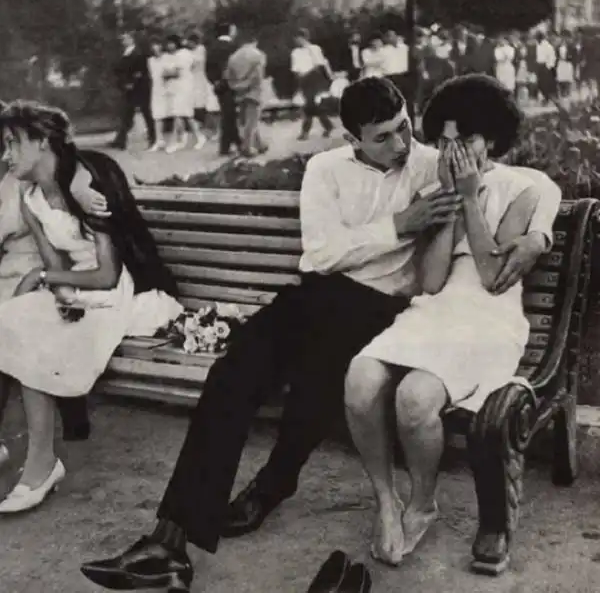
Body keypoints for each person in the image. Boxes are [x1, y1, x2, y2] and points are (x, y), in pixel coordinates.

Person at [80, 76, 560, 592]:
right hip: (315, 293)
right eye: (383, 137)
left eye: (404, 128)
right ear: (352, 138)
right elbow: (321, 253)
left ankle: (271, 486)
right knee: (230, 376)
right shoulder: (324, 170)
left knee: (319, 381)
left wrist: (539, 234)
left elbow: (529, 182)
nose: (401, 144)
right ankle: (169, 543)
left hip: (379, 309)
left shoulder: (433, 163)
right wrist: (400, 224)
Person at [344, 74, 561, 566]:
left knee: (415, 397)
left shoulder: (523, 189)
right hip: (437, 311)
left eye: (466, 139)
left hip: (487, 318)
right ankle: (386, 501)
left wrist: (469, 198)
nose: (453, 151)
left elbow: (492, 276)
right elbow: (431, 282)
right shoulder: (437, 189)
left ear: (493, 139)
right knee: (360, 377)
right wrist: (449, 206)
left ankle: (422, 503)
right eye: (444, 142)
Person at [0, 101, 178, 514]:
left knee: (33, 331)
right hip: (77, 288)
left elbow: (108, 275)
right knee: (11, 319)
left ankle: (41, 466)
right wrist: (56, 289)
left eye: (12, 143)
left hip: (115, 294)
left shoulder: (89, 186)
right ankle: (41, 463)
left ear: (42, 141)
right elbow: (55, 263)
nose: (6, 155)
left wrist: (45, 280)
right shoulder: (30, 197)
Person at [0, 101, 118, 444]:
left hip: (41, 266)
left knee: (16, 320)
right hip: (38, 270)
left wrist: (81, 183)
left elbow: (71, 159)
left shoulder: (23, 180)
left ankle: (59, 428)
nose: (7, 152)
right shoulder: (23, 179)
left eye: (10, 143)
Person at [224, 27, 269, 158]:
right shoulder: (258, 54)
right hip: (254, 90)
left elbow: (228, 76)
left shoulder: (233, 57)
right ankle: (247, 147)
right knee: (252, 120)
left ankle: (259, 144)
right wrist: (251, 84)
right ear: (254, 41)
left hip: (239, 91)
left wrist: (236, 86)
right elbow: (258, 75)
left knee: (247, 119)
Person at [110, 31, 155, 151]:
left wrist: (131, 83)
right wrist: (124, 83)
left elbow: (140, 71)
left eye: (125, 38)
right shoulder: (125, 53)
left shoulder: (138, 53)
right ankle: (120, 140)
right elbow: (119, 69)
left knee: (146, 112)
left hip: (140, 87)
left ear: (131, 39)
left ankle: (153, 138)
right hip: (130, 87)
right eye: (122, 39)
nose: (123, 41)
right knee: (127, 113)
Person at [291, 28, 334, 141]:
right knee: (312, 105)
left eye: (298, 38)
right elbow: (295, 68)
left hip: (314, 78)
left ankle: (305, 132)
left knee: (310, 105)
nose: (296, 40)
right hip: (303, 80)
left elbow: (319, 64)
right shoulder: (295, 52)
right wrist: (300, 79)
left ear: (304, 38)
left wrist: (313, 76)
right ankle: (328, 126)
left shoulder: (315, 48)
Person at [206, 23, 241, 157]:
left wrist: (215, 81)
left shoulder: (212, 47)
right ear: (229, 31)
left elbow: (207, 68)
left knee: (228, 114)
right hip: (232, 84)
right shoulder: (233, 47)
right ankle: (227, 146)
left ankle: (235, 143)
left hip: (219, 86)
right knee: (229, 116)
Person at [147, 38, 168, 152]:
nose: (155, 48)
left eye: (157, 45)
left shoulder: (166, 58)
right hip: (157, 89)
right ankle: (159, 140)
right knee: (157, 115)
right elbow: (152, 76)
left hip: (169, 88)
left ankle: (178, 139)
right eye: (153, 46)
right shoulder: (150, 61)